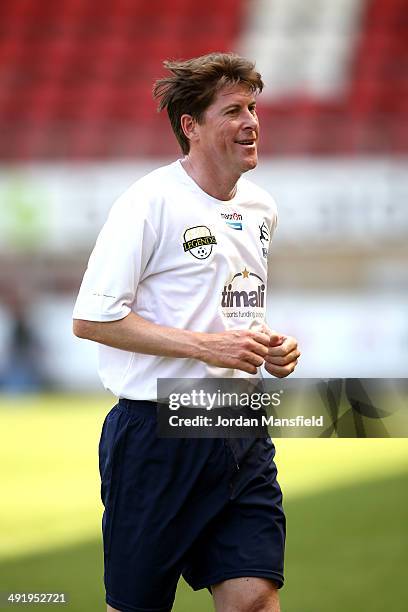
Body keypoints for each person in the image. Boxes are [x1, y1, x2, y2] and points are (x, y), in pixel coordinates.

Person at [73, 53, 300, 612]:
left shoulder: (261, 207)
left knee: (254, 597)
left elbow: (227, 314)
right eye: (232, 111)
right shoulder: (147, 203)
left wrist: (268, 344)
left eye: (253, 108)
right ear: (190, 126)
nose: (251, 121)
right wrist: (207, 347)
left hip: (236, 422)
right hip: (157, 431)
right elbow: (92, 319)